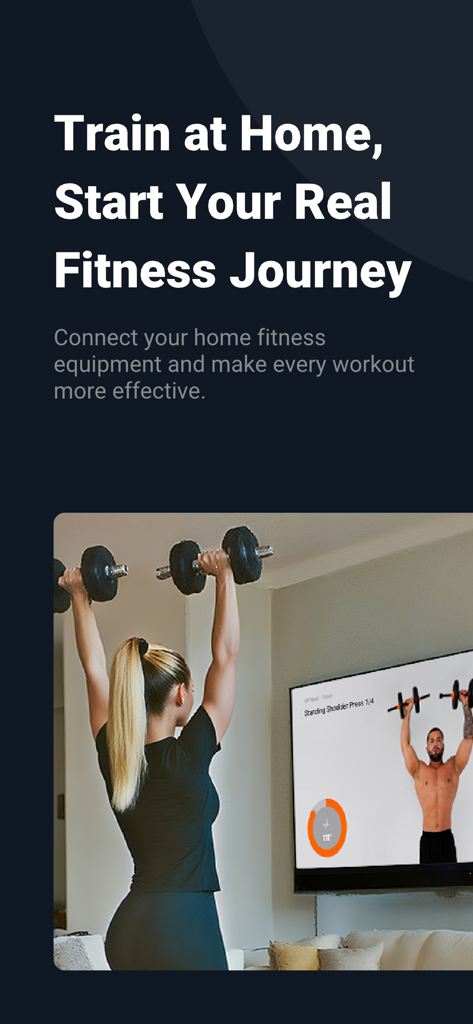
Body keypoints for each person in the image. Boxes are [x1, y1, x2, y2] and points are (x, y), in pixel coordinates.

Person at [58, 547, 240, 970]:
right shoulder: (188, 753)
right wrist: (224, 575)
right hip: (183, 925)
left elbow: (95, 672)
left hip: (129, 928)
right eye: (190, 689)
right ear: (180, 693)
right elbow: (226, 658)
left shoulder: (116, 758)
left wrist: (78, 597)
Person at [400, 690, 472, 864]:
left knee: (450, 890)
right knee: (427, 890)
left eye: (438, 740)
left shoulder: (454, 767)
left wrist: (465, 704)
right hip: (428, 840)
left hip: (446, 839)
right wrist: (407, 713)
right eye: (431, 741)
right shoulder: (418, 770)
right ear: (426, 748)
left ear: (443, 745)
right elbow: (405, 744)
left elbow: (469, 738)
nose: (435, 744)